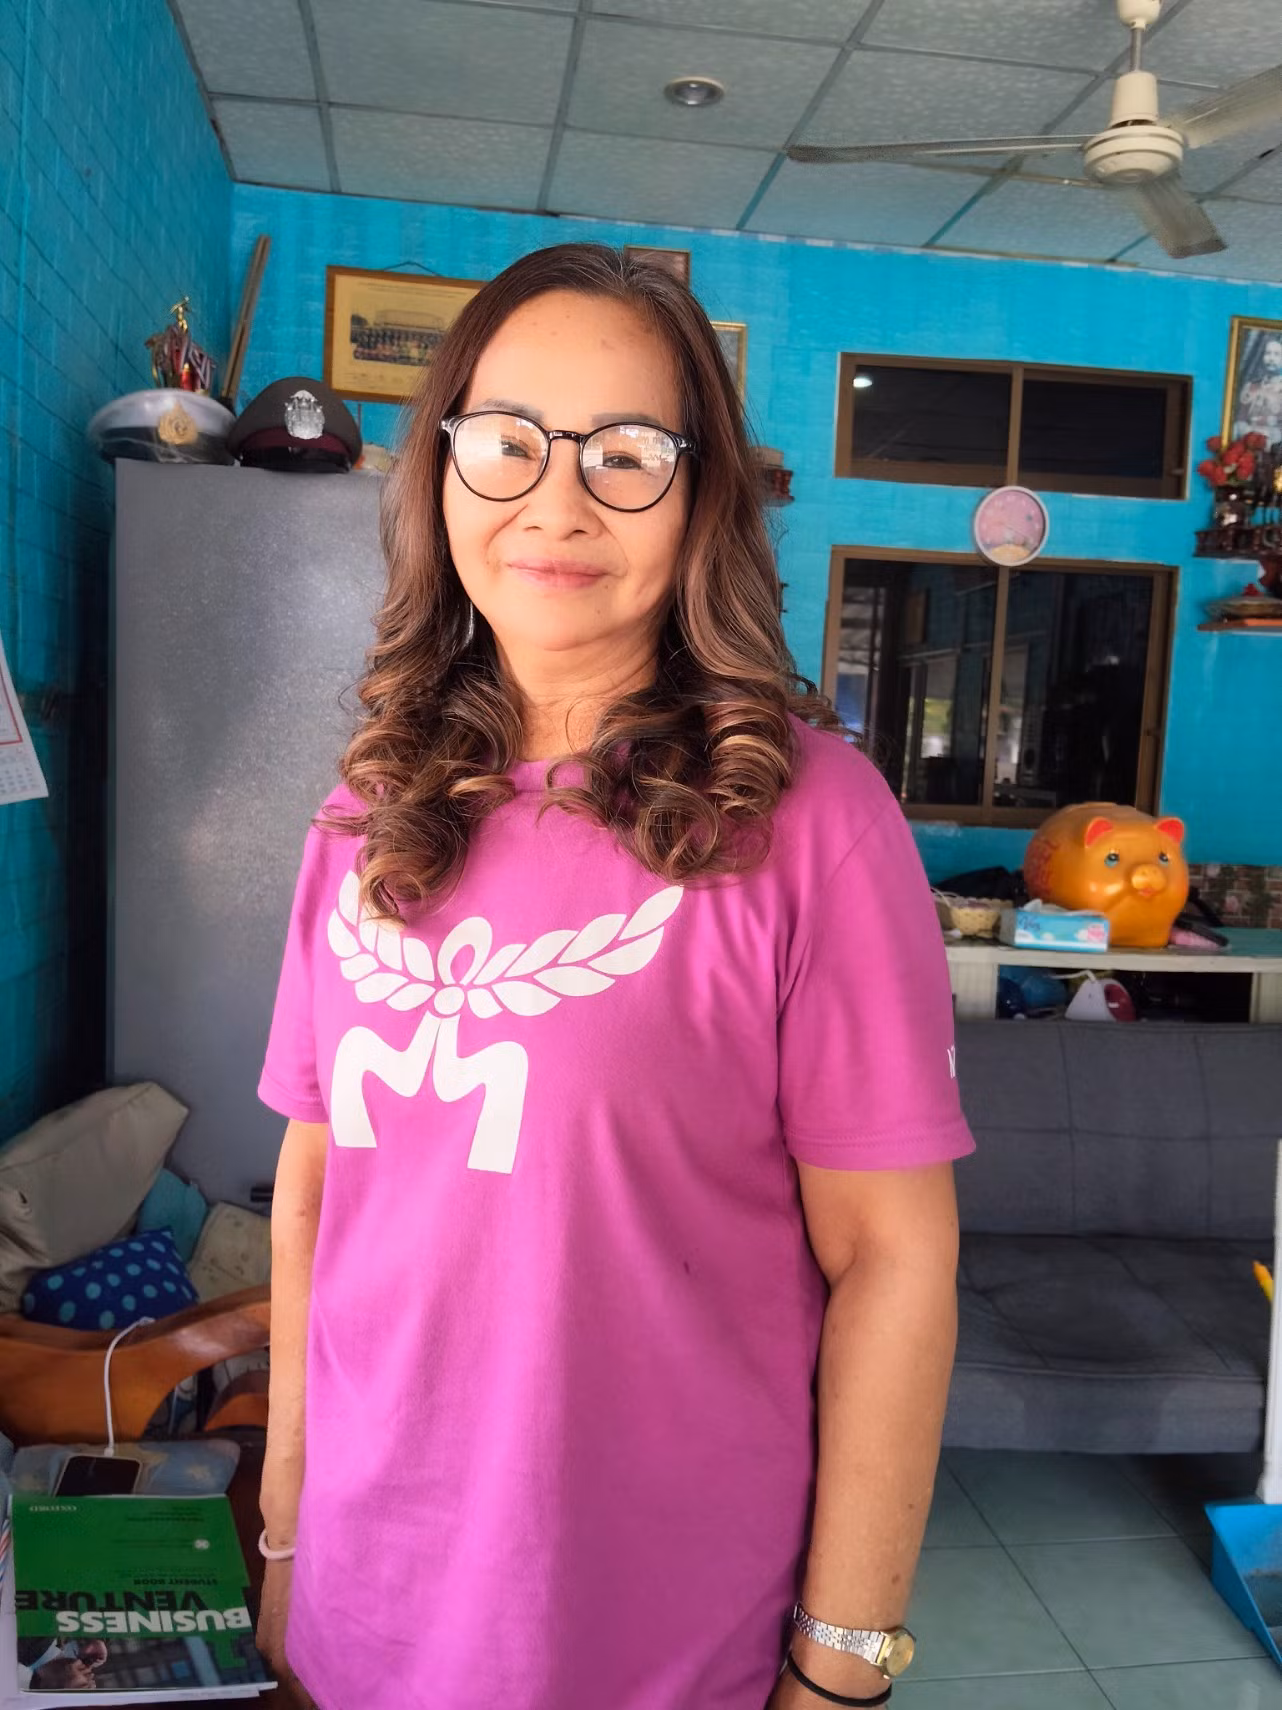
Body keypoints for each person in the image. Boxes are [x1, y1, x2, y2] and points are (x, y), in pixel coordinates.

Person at [255, 242, 974, 1710]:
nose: (557, 500)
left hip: (649, 1628)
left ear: (701, 499)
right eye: (506, 440)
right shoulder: (364, 814)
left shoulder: (811, 824)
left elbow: (892, 1260)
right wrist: (283, 1527)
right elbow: (316, 1189)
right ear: (440, 471)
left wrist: (840, 1664)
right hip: (362, 1600)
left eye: (626, 452)